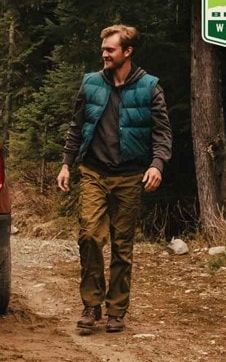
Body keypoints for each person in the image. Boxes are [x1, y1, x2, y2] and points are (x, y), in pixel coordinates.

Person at [56, 24, 172, 333]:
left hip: (130, 177)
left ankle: (117, 310)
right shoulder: (91, 83)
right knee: (90, 236)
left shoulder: (150, 87)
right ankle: (91, 305)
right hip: (93, 172)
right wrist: (67, 164)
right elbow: (76, 126)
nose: (104, 54)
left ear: (128, 51)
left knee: (123, 246)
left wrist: (157, 165)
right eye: (104, 49)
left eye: (110, 49)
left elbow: (162, 134)